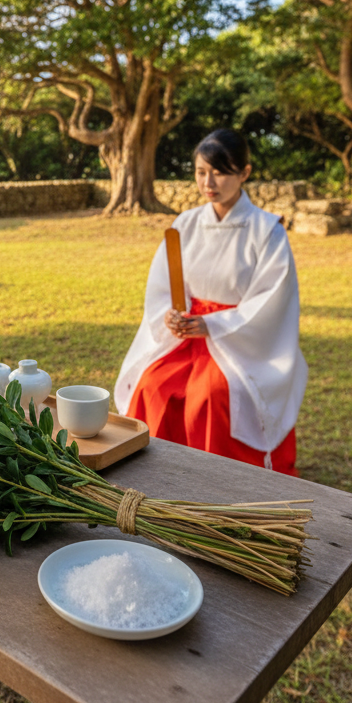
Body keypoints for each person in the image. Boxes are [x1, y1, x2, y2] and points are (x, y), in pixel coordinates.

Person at [113, 129, 307, 474]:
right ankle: (159, 475)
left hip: (237, 339)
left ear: (244, 173)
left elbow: (270, 300)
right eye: (201, 172)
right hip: (186, 334)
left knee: (211, 397)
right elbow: (165, 285)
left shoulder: (266, 230)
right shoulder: (186, 224)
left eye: (219, 171)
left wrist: (213, 324)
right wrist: (171, 317)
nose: (208, 181)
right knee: (153, 384)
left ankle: (219, 481)